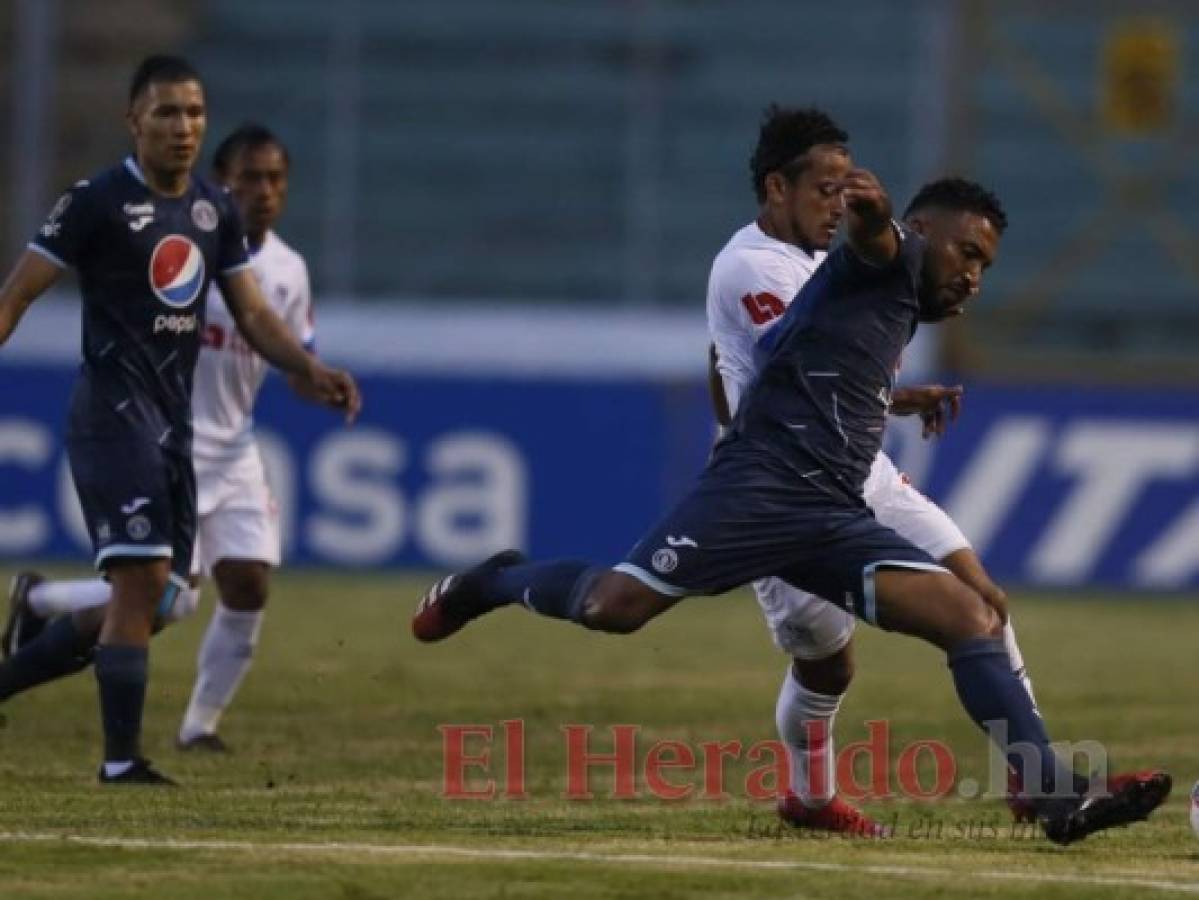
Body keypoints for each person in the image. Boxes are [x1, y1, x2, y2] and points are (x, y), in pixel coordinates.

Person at [412, 169, 1170, 844]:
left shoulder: (890, 306)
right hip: (754, 494)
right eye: (967, 254)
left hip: (830, 509)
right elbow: (871, 243)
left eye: (985, 266)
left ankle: (1048, 790)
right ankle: (494, 581)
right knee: (614, 607)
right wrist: (872, 213)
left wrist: (896, 397)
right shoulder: (888, 257)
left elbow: (811, 364)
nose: (974, 277)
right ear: (922, 231)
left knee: (969, 613)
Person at [0, 56, 359, 785]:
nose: (183, 127)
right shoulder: (95, 201)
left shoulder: (210, 211)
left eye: (194, 113)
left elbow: (254, 313)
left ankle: (18, 669)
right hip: (112, 417)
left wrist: (307, 366)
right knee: (142, 588)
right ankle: (121, 760)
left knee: (158, 599)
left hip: (174, 433)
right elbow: (18, 293)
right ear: (134, 121)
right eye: (166, 113)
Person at [705, 106, 1039, 833]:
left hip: (860, 471)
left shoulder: (831, 264)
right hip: (781, 485)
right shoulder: (752, 268)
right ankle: (808, 797)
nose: (838, 205)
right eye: (823, 189)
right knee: (827, 663)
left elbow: (829, 374)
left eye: (842, 189)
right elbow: (798, 374)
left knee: (983, 598)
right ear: (776, 189)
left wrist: (895, 396)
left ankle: (1035, 777)